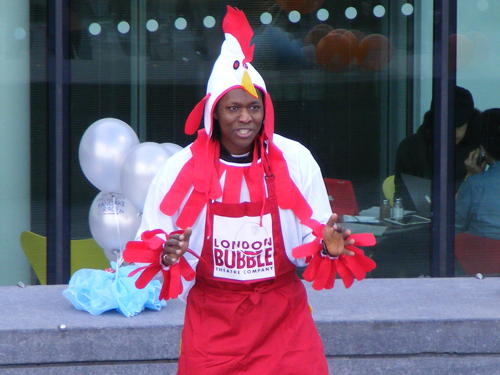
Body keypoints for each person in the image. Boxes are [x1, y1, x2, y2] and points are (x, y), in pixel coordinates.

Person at [132, 6, 374, 375]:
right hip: (213, 324)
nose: (245, 117)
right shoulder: (180, 168)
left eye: (253, 107)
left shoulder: (295, 158)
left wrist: (327, 245)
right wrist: (167, 254)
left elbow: (315, 243)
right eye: (233, 108)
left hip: (284, 322)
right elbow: (152, 249)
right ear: (214, 112)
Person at [394, 85, 480, 210]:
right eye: (447, 126)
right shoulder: (411, 147)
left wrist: (475, 177)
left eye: (459, 126)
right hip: (421, 218)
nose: (453, 133)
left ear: (470, 122)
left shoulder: (478, 148)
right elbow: (403, 195)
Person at [456, 108, 500, 239]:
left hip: (481, 257)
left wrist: (470, 176)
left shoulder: (475, 185)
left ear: (482, 150)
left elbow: (452, 227)